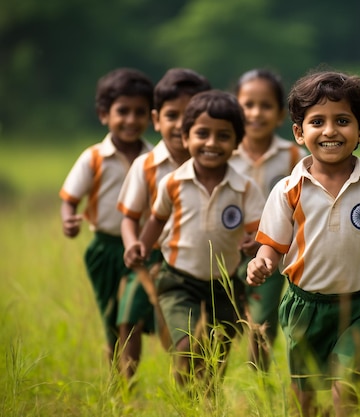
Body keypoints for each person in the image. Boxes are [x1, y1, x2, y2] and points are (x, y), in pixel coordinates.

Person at [247, 70, 360, 417]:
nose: (330, 131)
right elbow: (272, 245)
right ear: (299, 132)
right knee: (307, 401)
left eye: (342, 120)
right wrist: (261, 261)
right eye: (317, 122)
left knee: (349, 393)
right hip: (305, 307)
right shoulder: (287, 190)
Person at [125, 90, 265, 389]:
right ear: (186, 138)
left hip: (225, 284)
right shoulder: (173, 182)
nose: (212, 143)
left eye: (223, 136)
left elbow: (258, 231)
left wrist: (254, 244)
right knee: (189, 346)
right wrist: (141, 245)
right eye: (202, 134)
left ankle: (203, 401)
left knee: (216, 358)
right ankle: (186, 391)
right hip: (178, 281)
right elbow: (157, 219)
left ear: (237, 143)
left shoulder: (244, 188)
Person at [116, 68, 211, 381]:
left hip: (197, 261)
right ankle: (123, 389)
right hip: (150, 257)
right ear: (156, 120)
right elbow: (129, 218)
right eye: (172, 115)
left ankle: (191, 390)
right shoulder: (146, 166)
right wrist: (133, 245)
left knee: (188, 334)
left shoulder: (218, 165)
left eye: (191, 115)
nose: (181, 124)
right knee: (128, 318)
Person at [59, 68, 154, 370]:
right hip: (104, 250)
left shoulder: (153, 159)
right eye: (122, 111)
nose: (131, 119)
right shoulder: (94, 157)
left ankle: (128, 380)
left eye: (139, 112)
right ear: (104, 114)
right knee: (112, 317)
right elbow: (70, 198)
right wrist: (69, 220)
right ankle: (118, 385)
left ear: (151, 116)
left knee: (132, 318)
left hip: (141, 250)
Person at [230, 68, 308, 372]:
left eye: (266, 106)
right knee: (219, 325)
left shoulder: (293, 157)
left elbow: (301, 207)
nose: (255, 113)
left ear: (279, 115)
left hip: (271, 257)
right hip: (225, 254)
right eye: (247, 105)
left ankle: (256, 383)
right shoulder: (224, 152)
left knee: (262, 325)